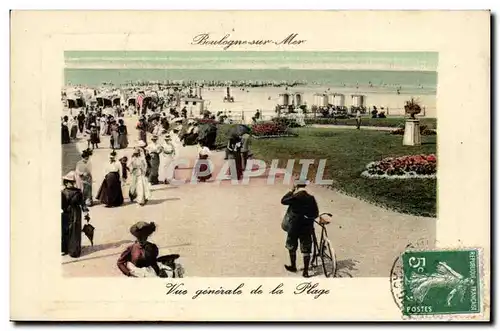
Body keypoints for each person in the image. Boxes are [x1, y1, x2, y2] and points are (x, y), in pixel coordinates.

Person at [280, 180, 319, 278]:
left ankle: (293, 266)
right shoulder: (311, 198)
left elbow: (283, 200)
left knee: (291, 245)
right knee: (306, 248)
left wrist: (291, 190)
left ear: (296, 186)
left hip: (294, 227)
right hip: (306, 227)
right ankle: (305, 271)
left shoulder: (295, 197)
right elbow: (316, 214)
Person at [61, 171, 90, 258]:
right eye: (69, 182)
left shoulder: (78, 192)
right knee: (65, 231)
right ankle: (64, 249)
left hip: (75, 213)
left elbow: (83, 203)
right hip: (66, 213)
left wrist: (86, 213)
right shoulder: (63, 192)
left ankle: (74, 250)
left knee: (75, 231)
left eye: (72, 182)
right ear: (66, 183)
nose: (71, 184)